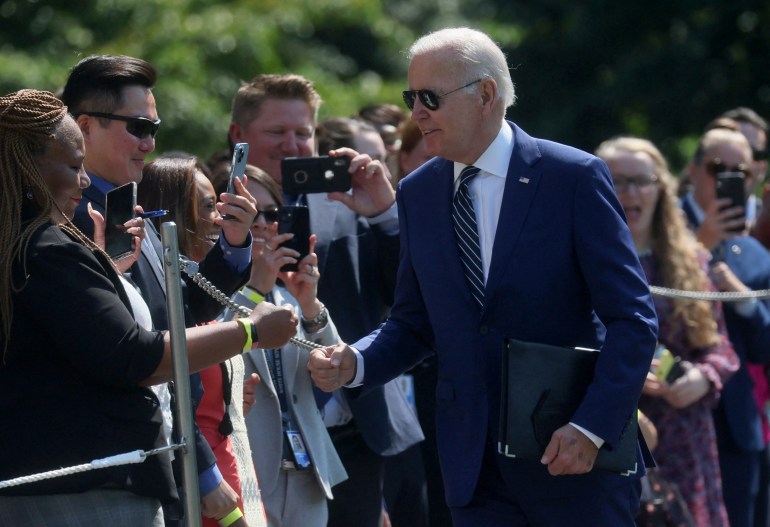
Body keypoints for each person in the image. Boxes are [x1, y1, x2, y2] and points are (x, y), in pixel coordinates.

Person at [308, 27, 659, 527]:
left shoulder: (572, 177)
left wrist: (592, 426)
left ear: (486, 94)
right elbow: (414, 322)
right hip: (474, 470)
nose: (416, 113)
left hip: (573, 460)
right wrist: (356, 362)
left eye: (429, 97)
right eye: (411, 98)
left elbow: (633, 318)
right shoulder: (419, 192)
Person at [0, 89, 297, 526]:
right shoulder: (45, 249)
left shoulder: (29, 246)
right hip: (87, 493)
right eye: (72, 166)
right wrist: (250, 331)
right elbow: (133, 357)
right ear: (27, 168)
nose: (83, 181)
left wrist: (112, 275)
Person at [61, 54, 256, 525]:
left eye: (155, 128)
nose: (150, 143)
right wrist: (203, 471)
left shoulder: (129, 206)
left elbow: (175, 315)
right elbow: (134, 355)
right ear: (84, 126)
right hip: (118, 468)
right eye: (138, 127)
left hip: (163, 457)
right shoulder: (69, 221)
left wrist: (232, 247)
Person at [227, 73, 424, 527]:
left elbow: (407, 295)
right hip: (261, 433)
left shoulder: (349, 203)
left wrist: (386, 216)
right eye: (276, 132)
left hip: (354, 424)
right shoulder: (219, 209)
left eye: (303, 132)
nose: (291, 145)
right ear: (239, 134)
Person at [596, 136, 739, 526]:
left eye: (641, 180)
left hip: (685, 438)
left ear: (660, 187)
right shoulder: (582, 260)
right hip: (613, 434)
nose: (630, 191)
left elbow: (721, 349)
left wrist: (702, 377)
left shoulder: (690, 259)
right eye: (617, 180)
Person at [138, 153, 266, 527]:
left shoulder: (193, 292)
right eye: (209, 206)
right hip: (203, 488)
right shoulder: (158, 296)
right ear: (173, 211)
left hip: (230, 471)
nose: (217, 219)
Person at [216, 165, 348, 527]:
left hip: (308, 474)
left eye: (271, 213)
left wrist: (309, 304)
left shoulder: (288, 292)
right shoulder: (209, 284)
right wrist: (254, 288)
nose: (261, 224)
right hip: (246, 472)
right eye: (248, 211)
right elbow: (210, 356)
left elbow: (338, 372)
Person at [316, 116, 429, 527]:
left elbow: (414, 300)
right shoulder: (259, 211)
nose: (377, 172)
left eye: (382, 160)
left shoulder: (382, 215)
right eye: (366, 162)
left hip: (377, 425)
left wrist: (386, 214)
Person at [680, 126, 770, 527]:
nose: (729, 179)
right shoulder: (655, 225)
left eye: (742, 173)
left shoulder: (752, 251)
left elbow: (765, 347)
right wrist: (698, 247)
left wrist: (748, 304)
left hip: (735, 428)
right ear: (693, 171)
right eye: (718, 167)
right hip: (669, 414)